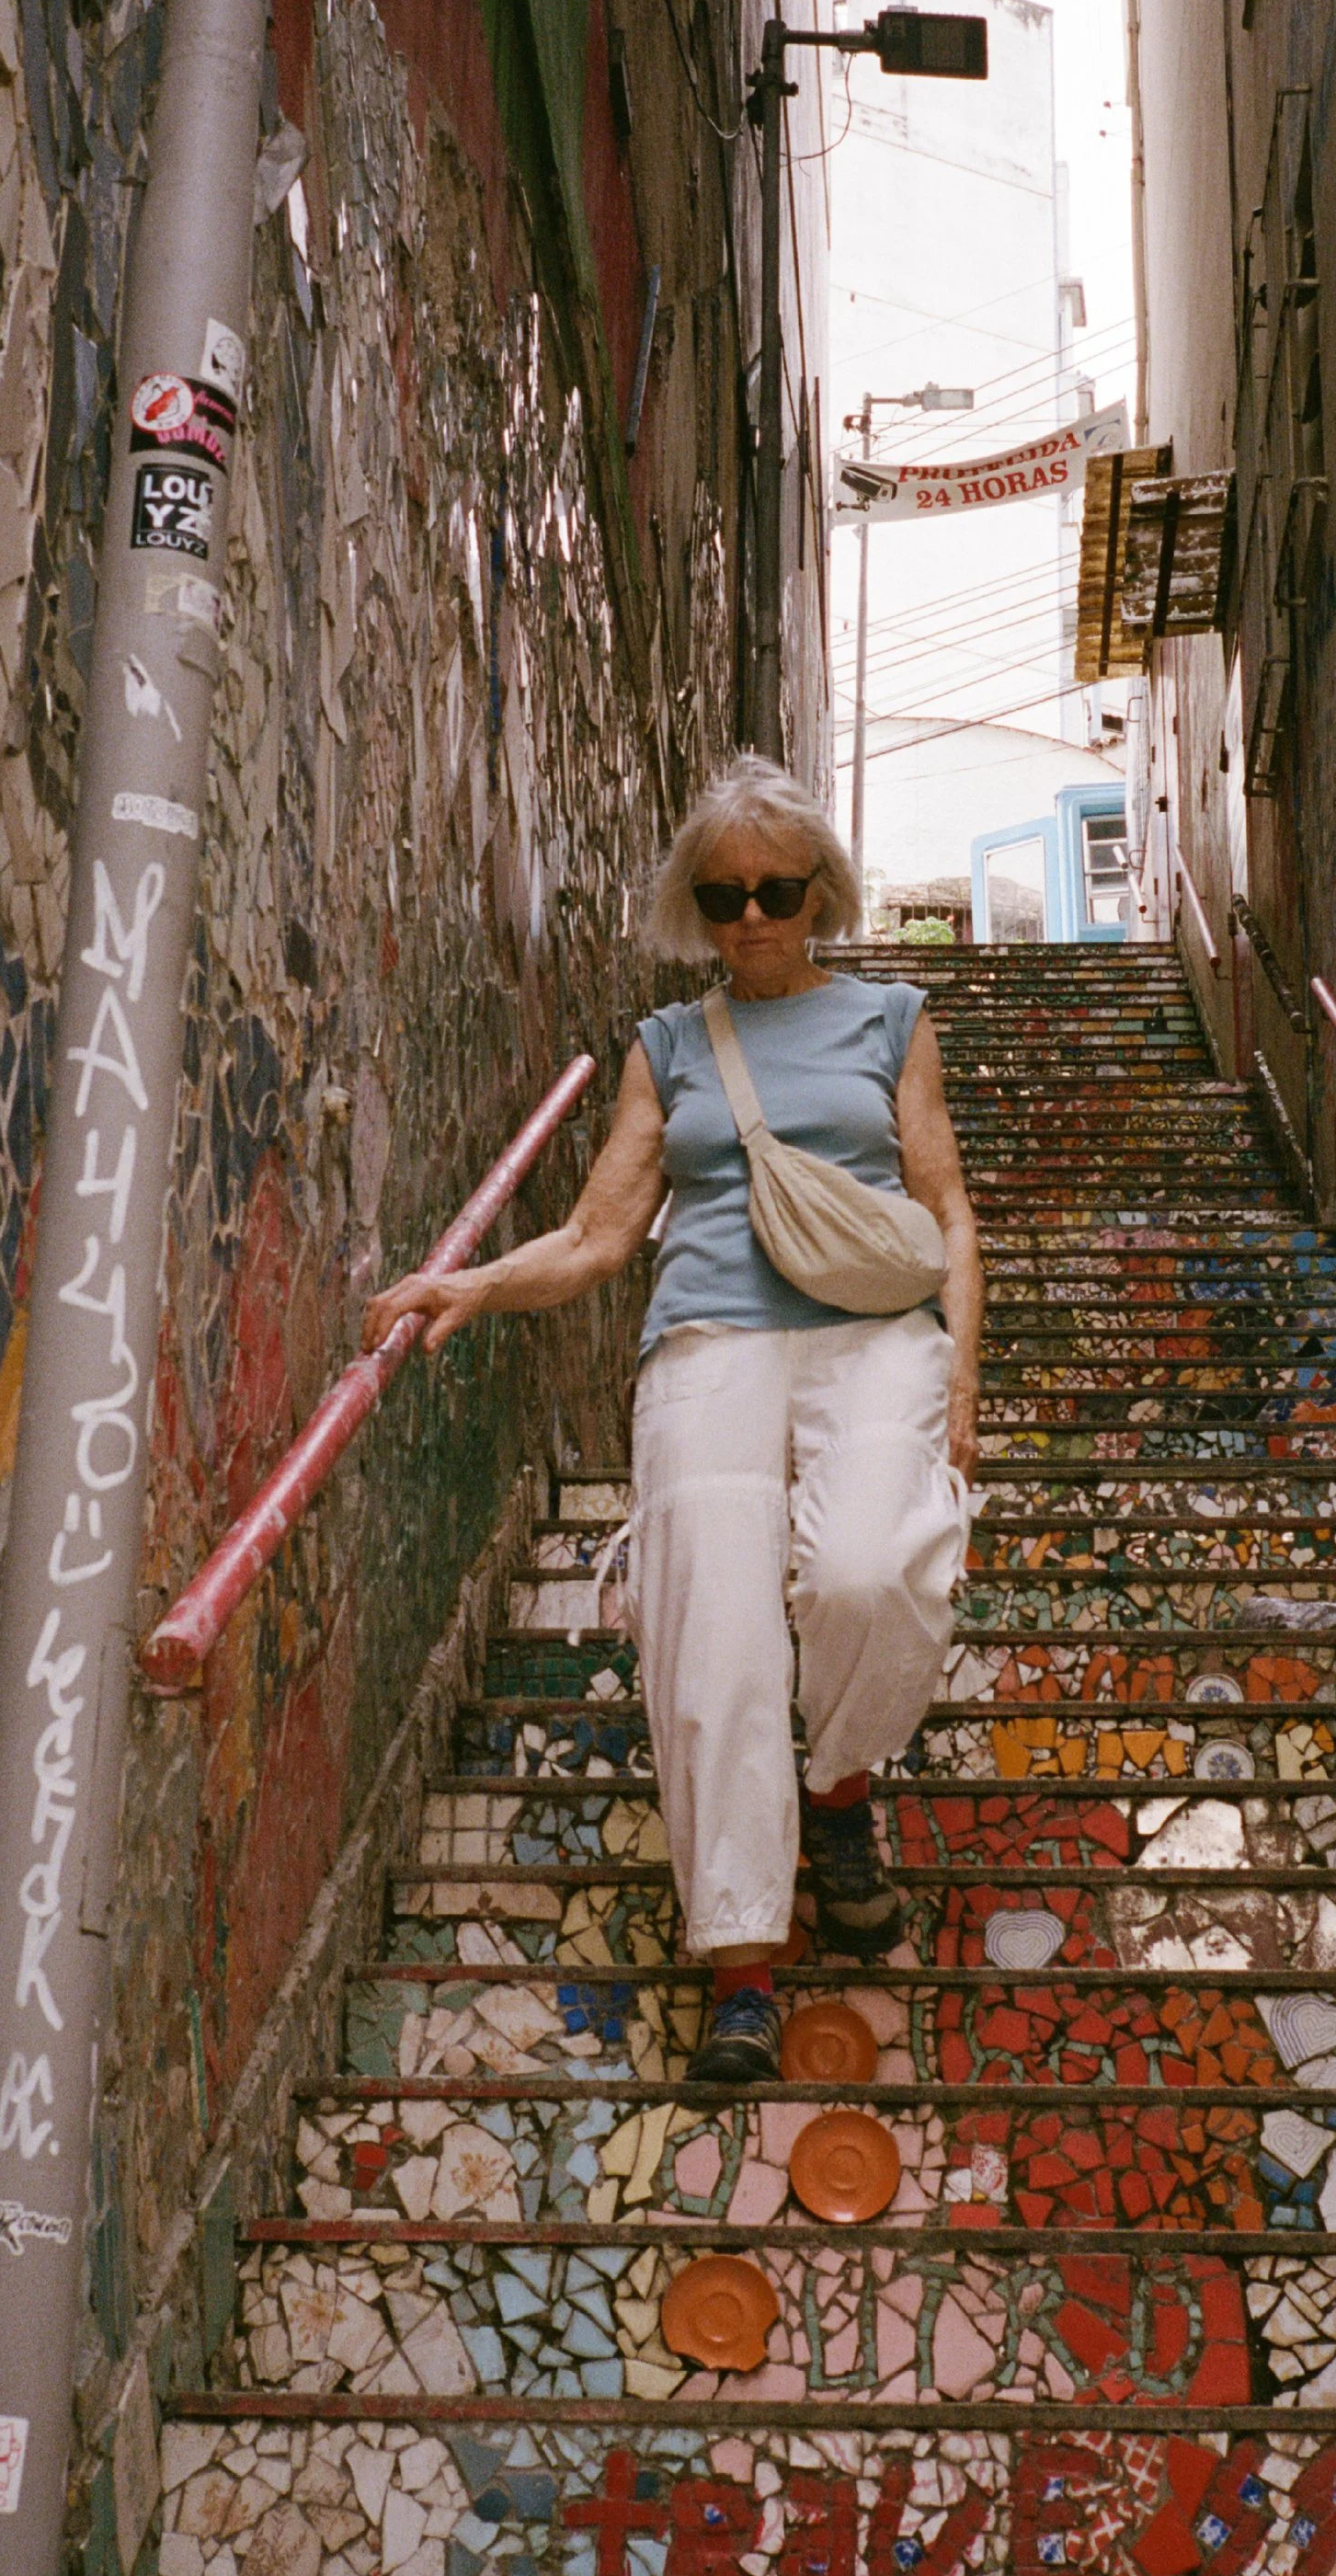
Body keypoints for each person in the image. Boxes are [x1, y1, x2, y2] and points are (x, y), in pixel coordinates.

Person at [363, 755, 984, 2085]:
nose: (752, 916)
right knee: (713, 1627)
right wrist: (467, 1280)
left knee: (875, 1569)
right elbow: (598, 1235)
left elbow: (948, 1211)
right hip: (707, 1339)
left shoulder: (891, 1018)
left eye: (776, 890)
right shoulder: (670, 1046)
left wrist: (965, 1387)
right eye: (723, 896)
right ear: (695, 908)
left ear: (822, 890)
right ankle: (743, 1960)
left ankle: (837, 1791)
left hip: (876, 1333)